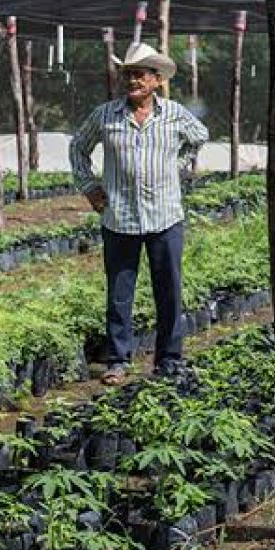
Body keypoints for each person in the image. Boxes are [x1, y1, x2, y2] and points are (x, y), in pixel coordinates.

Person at [70, 43, 209, 385]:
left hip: (165, 217)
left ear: (156, 80)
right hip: (120, 218)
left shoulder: (174, 114)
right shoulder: (105, 115)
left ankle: (169, 359)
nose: (132, 80)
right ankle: (118, 360)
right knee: (120, 292)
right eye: (128, 74)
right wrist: (90, 187)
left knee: (169, 290)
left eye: (139, 74)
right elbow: (78, 148)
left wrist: (175, 165)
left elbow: (199, 137)